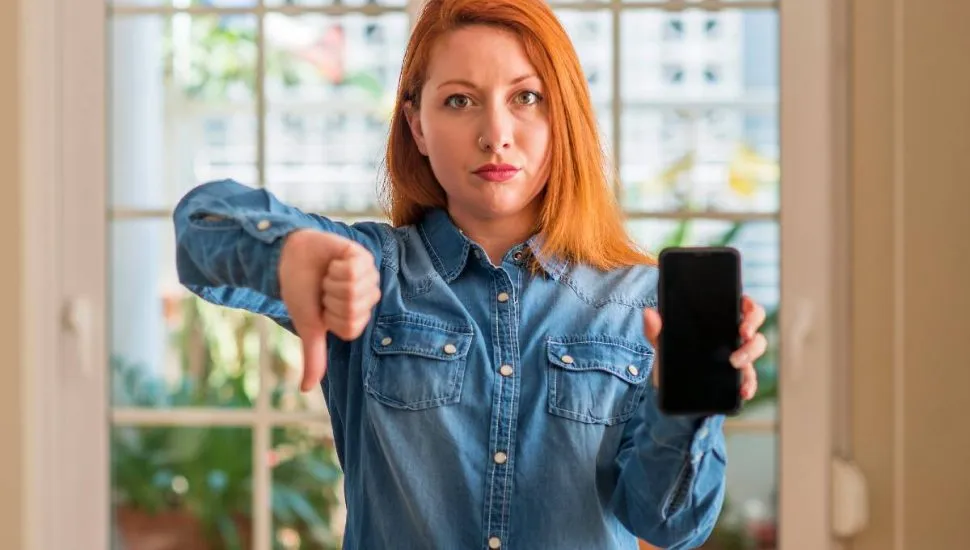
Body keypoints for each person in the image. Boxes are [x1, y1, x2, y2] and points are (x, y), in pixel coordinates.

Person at [173, 0, 768, 548]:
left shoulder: (639, 305)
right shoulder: (367, 271)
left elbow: (668, 526)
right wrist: (287, 251)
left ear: (563, 117)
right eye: (459, 100)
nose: (496, 134)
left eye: (526, 97)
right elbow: (200, 226)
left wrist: (684, 404)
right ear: (417, 127)